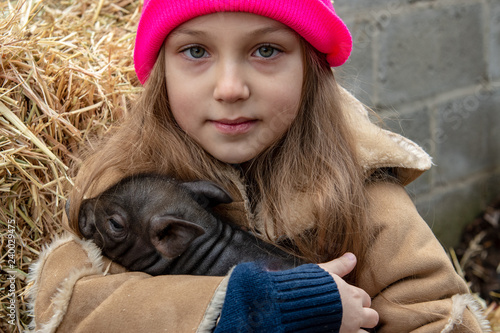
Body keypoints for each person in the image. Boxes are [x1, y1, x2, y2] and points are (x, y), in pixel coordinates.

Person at [27, 0, 490, 332]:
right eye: (196, 51)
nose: (230, 88)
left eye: (265, 50)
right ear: (161, 70)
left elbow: (439, 314)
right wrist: (256, 308)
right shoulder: (129, 183)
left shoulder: (362, 192)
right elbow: (66, 305)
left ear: (311, 68)